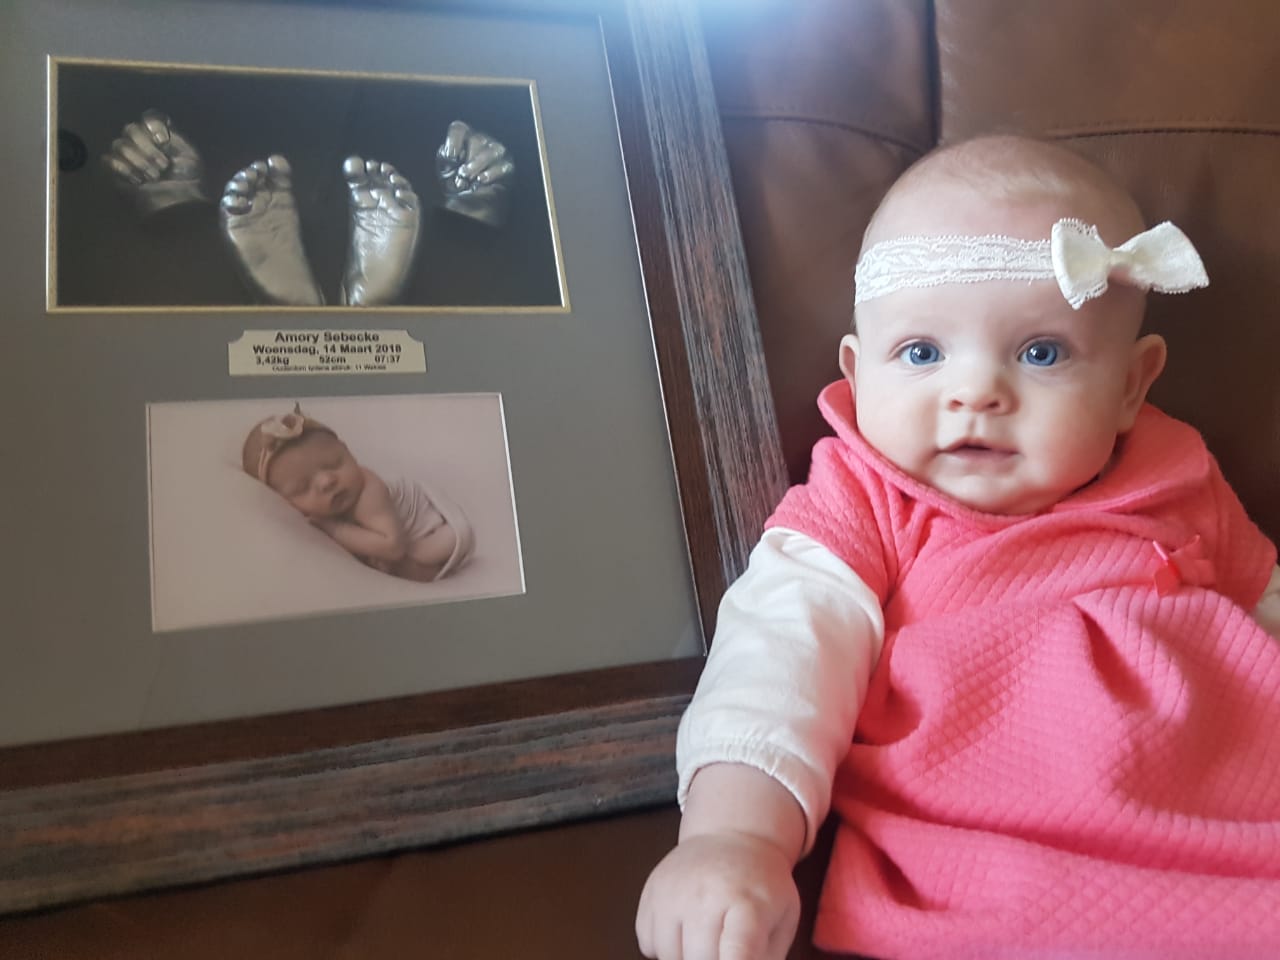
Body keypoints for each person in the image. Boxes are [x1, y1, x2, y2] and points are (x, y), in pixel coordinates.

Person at [635, 135, 1280, 960]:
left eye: (1041, 352)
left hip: (1237, 812)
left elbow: (1264, 605)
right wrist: (735, 837)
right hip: (1002, 857)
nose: (975, 392)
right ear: (858, 375)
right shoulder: (865, 500)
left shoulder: (1180, 474)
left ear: (1129, 385)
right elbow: (781, 654)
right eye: (923, 353)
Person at [241, 404, 473, 582]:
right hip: (390, 536)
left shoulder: (368, 491)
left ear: (347, 451)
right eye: (302, 487)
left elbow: (393, 546)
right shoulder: (332, 499)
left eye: (334, 463)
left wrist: (335, 529)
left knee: (437, 548)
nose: (326, 482)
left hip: (432, 531)